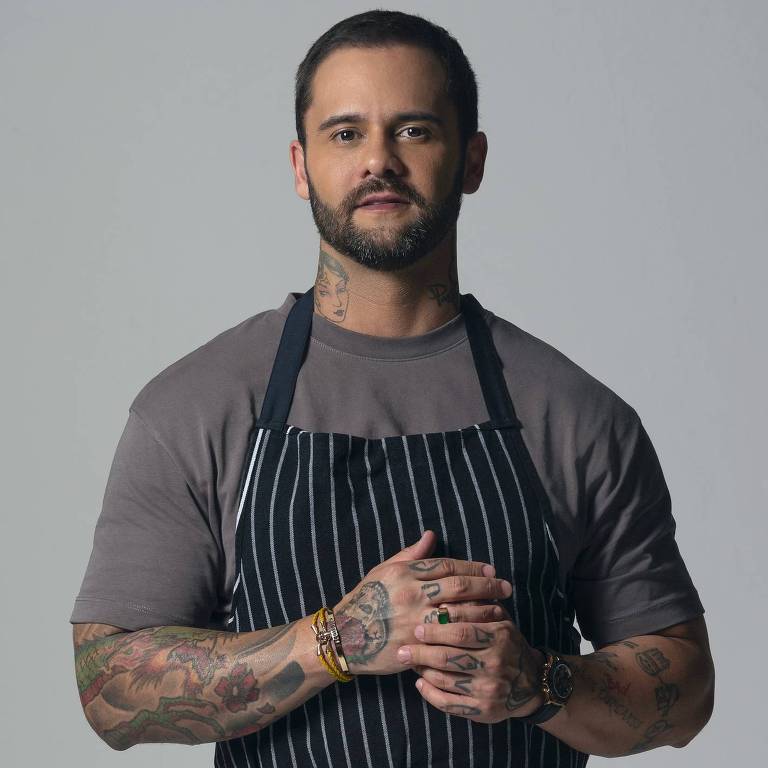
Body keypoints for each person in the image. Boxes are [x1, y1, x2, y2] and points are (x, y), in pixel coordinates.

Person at [70, 9, 714, 766]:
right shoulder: (195, 407)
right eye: (346, 133)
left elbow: (688, 692)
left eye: (414, 130)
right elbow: (107, 687)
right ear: (300, 165)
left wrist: (542, 680)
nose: (379, 160)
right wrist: (333, 641)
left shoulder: (574, 415)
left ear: (471, 161)